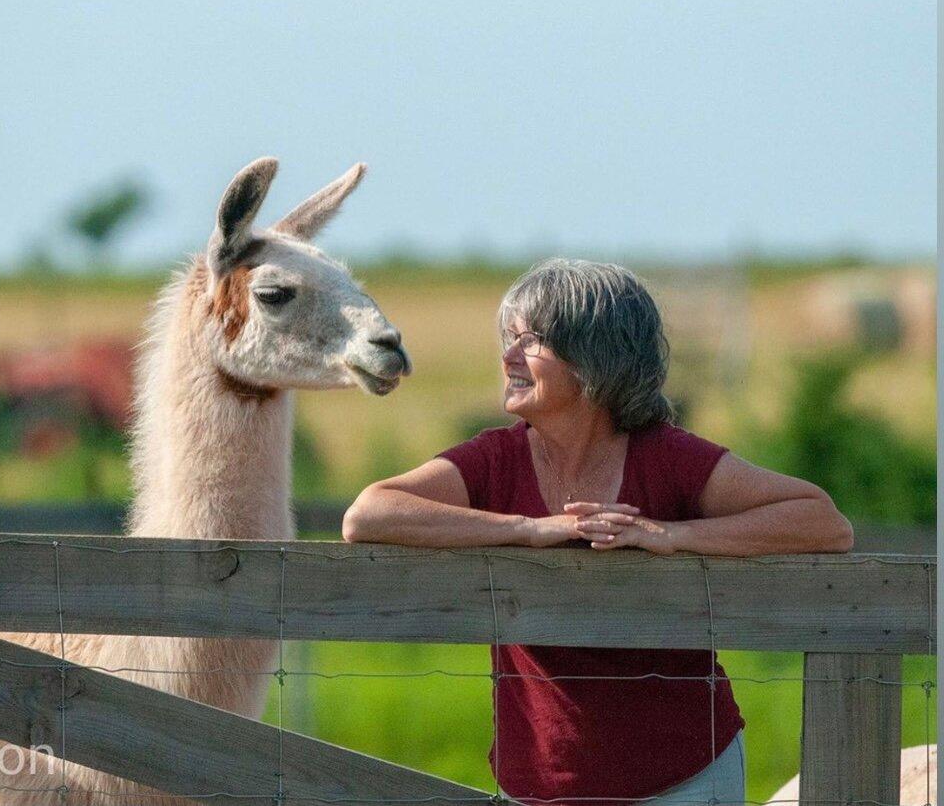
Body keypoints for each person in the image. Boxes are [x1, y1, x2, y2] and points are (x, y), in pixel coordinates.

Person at [343, 258, 854, 805]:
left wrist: (671, 536)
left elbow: (823, 521)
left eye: (531, 340)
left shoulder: (667, 457)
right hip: (537, 786)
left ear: (594, 358)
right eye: (509, 338)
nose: (508, 356)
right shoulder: (497, 459)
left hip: (683, 781)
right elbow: (367, 515)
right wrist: (528, 530)